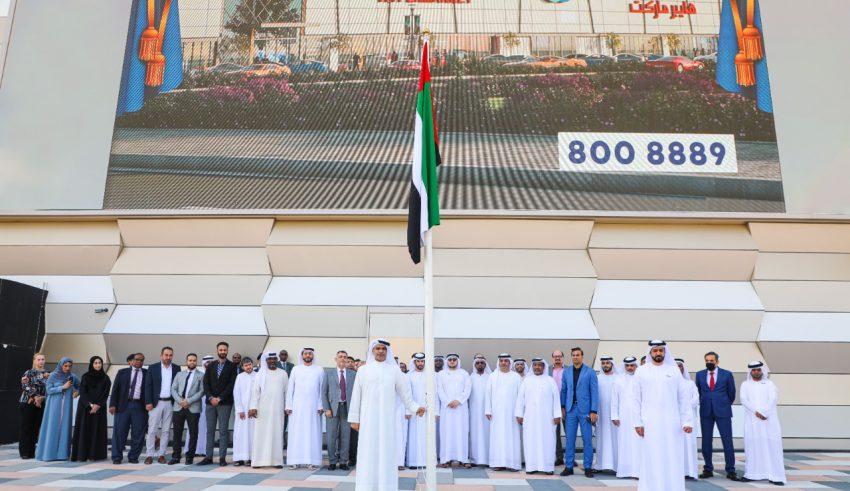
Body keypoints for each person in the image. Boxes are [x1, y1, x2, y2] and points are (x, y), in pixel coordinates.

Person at [349, 339, 425, 491]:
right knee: (368, 452)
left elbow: (405, 394)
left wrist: (415, 408)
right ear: (372, 351)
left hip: (387, 420)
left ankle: (386, 486)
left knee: (386, 452)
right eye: (377, 348)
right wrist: (354, 419)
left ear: (387, 351)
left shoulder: (394, 371)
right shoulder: (363, 370)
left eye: (383, 349)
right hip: (368, 419)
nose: (380, 351)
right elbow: (356, 395)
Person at [633, 340, 693, 491]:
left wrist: (687, 421)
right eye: (655, 350)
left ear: (665, 352)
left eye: (661, 350)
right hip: (649, 422)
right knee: (651, 456)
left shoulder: (674, 371)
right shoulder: (641, 371)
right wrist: (637, 422)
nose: (658, 353)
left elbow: (683, 398)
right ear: (650, 352)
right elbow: (635, 399)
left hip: (672, 423)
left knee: (672, 456)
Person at [740, 361, 786, 486]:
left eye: (758, 370)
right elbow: (743, 399)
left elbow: (773, 399)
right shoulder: (745, 384)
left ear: (762, 371)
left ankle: (775, 476)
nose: (756, 372)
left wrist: (764, 413)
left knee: (772, 446)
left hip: (768, 420)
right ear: (750, 372)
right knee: (753, 446)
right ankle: (752, 474)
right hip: (753, 420)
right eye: (754, 370)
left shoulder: (769, 384)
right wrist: (756, 412)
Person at [695, 351, 739, 480]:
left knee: (727, 441)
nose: (709, 362)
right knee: (706, 441)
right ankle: (708, 469)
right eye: (707, 360)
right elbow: (699, 392)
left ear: (717, 361)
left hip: (723, 411)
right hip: (706, 411)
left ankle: (731, 470)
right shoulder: (699, 374)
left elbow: (732, 393)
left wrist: (723, 403)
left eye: (711, 360)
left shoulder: (727, 374)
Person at [515, 358, 560, 475]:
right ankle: (531, 467)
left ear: (544, 367)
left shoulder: (550, 381)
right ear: (532, 367)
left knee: (548, 441)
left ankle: (548, 467)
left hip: (547, 419)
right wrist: (519, 414)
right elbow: (520, 399)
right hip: (530, 418)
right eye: (535, 365)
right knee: (530, 441)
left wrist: (557, 415)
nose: (537, 367)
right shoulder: (527, 381)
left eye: (540, 365)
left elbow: (556, 399)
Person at [559, 347, 598, 477]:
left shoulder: (590, 372)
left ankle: (588, 467)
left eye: (578, 355)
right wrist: (562, 406)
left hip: (585, 410)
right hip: (570, 410)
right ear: (571, 357)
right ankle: (569, 466)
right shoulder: (566, 372)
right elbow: (564, 390)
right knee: (570, 439)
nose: (575, 357)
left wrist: (593, 410)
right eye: (573, 355)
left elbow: (594, 392)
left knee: (587, 439)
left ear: (582, 356)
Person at [286, 347, 325, 469]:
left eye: (310, 354)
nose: (308, 355)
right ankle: (295, 460)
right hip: (297, 407)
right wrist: (288, 405)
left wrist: (320, 405)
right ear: (302, 356)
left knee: (312, 433)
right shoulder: (295, 369)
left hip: (314, 408)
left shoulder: (319, 370)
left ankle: (311, 460)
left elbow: (322, 389)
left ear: (313, 356)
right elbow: (290, 388)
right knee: (296, 433)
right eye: (306, 354)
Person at [36, 357, 80, 461]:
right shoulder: (53, 376)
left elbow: (81, 386)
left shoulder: (72, 376)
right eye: (65, 366)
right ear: (61, 365)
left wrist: (77, 392)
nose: (67, 368)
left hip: (66, 407)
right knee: (52, 428)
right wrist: (63, 387)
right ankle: (49, 454)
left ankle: (62, 455)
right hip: (53, 407)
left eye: (69, 366)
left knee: (64, 428)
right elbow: (49, 390)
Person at [250, 352, 289, 468]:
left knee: (277, 434)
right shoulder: (260, 374)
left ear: (277, 360)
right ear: (266, 361)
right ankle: (258, 461)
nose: (272, 361)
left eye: (274, 359)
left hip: (278, 409)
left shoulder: (283, 373)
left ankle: (276, 461)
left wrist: (287, 407)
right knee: (261, 434)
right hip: (262, 410)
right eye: (269, 359)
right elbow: (255, 392)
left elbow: (287, 392)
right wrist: (253, 407)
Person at [201, 341, 237, 466]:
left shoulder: (232, 366)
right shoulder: (211, 365)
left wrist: (220, 398)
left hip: (225, 403)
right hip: (210, 403)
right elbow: (206, 383)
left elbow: (231, 385)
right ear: (217, 350)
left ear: (227, 351)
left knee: (223, 431)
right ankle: (208, 457)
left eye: (224, 350)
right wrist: (211, 397)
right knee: (210, 430)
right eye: (220, 350)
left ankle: (222, 458)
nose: (222, 352)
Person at [485, 353, 522, 472]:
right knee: (497, 437)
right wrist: (488, 410)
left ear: (510, 362)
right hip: (496, 414)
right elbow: (488, 394)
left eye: (506, 361)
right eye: (501, 361)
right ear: (498, 362)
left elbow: (521, 396)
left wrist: (519, 412)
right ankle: (498, 463)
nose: (503, 363)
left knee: (512, 437)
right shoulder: (492, 376)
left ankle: (512, 464)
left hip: (512, 414)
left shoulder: (516, 377)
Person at [71, 355, 111, 461]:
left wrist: (98, 405)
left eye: (100, 363)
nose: (98, 365)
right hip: (85, 408)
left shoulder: (106, 378)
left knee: (97, 431)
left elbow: (105, 394)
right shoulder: (85, 377)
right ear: (92, 364)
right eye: (95, 363)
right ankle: (82, 454)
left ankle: (95, 455)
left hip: (99, 408)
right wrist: (90, 405)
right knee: (84, 430)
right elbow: (83, 392)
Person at [144, 346, 180, 464]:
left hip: (170, 403)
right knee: (152, 430)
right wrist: (148, 402)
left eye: (170, 355)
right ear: (161, 355)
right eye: (166, 355)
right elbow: (148, 386)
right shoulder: (153, 367)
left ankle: (161, 454)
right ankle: (149, 455)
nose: (168, 357)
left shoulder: (176, 368)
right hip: (155, 403)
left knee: (166, 430)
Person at [110, 353, 148, 464]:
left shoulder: (147, 373)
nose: (139, 362)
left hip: (139, 406)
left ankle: (133, 457)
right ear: (131, 361)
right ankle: (116, 457)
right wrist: (112, 404)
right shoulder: (122, 372)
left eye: (141, 360)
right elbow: (115, 389)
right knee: (119, 433)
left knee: (138, 434)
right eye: (137, 359)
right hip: (123, 406)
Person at [437, 353, 472, 468]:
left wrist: (458, 401)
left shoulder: (464, 373)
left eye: (454, 359)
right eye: (450, 359)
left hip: (461, 408)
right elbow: (439, 389)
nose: (452, 361)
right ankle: (445, 459)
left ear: (457, 361)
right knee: (446, 433)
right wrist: (447, 401)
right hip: (446, 409)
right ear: (447, 361)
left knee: (461, 432)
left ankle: (463, 459)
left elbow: (467, 389)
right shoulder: (441, 374)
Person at [322, 350, 355, 470]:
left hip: (347, 407)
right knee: (331, 436)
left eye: (345, 357)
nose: (343, 358)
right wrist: (326, 408)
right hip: (332, 408)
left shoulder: (353, 374)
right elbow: (324, 392)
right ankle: (332, 461)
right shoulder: (328, 373)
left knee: (345, 436)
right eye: (340, 356)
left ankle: (343, 461)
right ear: (335, 359)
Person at [169, 353, 204, 465]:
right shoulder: (179, 374)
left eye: (194, 360)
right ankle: (176, 456)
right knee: (177, 433)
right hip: (178, 407)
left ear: (196, 362)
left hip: (193, 407)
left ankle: (190, 457)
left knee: (193, 433)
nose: (192, 362)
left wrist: (188, 401)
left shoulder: (201, 375)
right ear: (186, 361)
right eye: (190, 360)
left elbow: (202, 391)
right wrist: (180, 401)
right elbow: (173, 389)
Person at [611, 356, 640, 479]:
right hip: (623, 417)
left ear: (636, 366)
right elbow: (614, 399)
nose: (629, 368)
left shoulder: (641, 378)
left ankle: (638, 471)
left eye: (632, 365)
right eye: (627, 365)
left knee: (638, 443)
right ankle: (624, 471)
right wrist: (614, 415)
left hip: (638, 417)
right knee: (624, 443)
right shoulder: (619, 380)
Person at [19, 352, 49, 459]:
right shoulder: (29, 372)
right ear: (34, 361)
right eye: (38, 359)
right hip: (28, 403)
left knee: (36, 428)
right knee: (26, 428)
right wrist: (35, 397)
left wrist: (42, 398)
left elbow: (50, 388)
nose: (41, 361)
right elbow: (25, 386)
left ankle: (32, 452)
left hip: (41, 404)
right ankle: (24, 452)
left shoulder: (48, 374)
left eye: (42, 359)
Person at [594, 355, 619, 474]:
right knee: (600, 440)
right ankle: (599, 465)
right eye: (603, 363)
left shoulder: (618, 378)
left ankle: (616, 466)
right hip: (601, 415)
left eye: (607, 363)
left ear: (612, 364)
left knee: (615, 440)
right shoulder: (597, 378)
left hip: (615, 416)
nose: (605, 365)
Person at [676, 358, 699, 480]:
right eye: (675, 366)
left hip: (689, 417)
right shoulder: (670, 383)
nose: (678, 368)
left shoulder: (690, 383)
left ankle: (690, 471)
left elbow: (696, 398)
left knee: (689, 444)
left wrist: (685, 407)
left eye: (680, 366)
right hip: (674, 417)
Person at [405, 352, 428, 469]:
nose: (420, 363)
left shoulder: (431, 375)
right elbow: (406, 395)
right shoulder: (408, 376)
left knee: (426, 436)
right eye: (418, 361)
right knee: (413, 436)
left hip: (427, 410)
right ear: (414, 362)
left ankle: (426, 462)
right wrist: (408, 411)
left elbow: (434, 393)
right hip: (413, 411)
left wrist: (435, 411)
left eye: (422, 361)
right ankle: (413, 462)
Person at [188, 355, 213, 457]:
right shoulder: (199, 374)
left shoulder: (214, 374)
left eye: (210, 362)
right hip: (197, 402)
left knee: (207, 427)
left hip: (209, 402)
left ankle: (204, 449)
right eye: (207, 362)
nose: (208, 364)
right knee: (194, 426)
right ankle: (192, 449)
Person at [468, 356, 491, 467]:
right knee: (475, 434)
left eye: (482, 363)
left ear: (485, 365)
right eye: (478, 363)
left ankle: (487, 459)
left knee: (487, 434)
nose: (480, 364)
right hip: (474, 411)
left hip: (487, 412)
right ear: (474, 365)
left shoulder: (490, 377)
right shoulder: (470, 377)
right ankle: (474, 459)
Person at [233, 357, 256, 466]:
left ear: (252, 364)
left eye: (249, 364)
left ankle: (251, 458)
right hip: (242, 411)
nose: (248, 367)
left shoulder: (257, 376)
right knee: (240, 434)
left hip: (253, 411)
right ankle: (239, 458)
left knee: (252, 434)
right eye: (246, 365)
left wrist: (254, 408)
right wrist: (240, 409)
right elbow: (236, 393)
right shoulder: (239, 377)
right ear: (242, 367)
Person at [549, 350, 566, 466]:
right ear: (552, 358)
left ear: (563, 357)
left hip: (566, 405)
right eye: (555, 356)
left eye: (559, 356)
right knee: (555, 432)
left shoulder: (568, 369)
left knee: (570, 432)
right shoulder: (547, 370)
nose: (557, 358)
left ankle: (570, 458)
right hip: (551, 405)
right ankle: (559, 457)